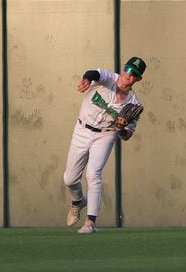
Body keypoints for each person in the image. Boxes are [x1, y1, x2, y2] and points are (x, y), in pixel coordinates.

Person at [62, 56, 146, 233]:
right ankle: (77, 201)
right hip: (82, 129)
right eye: (129, 70)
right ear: (123, 69)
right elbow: (93, 73)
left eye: (134, 74)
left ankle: (90, 223)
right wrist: (87, 79)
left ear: (138, 79)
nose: (129, 76)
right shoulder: (109, 78)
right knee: (69, 179)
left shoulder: (134, 104)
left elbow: (127, 136)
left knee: (93, 173)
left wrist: (122, 128)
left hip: (106, 134)